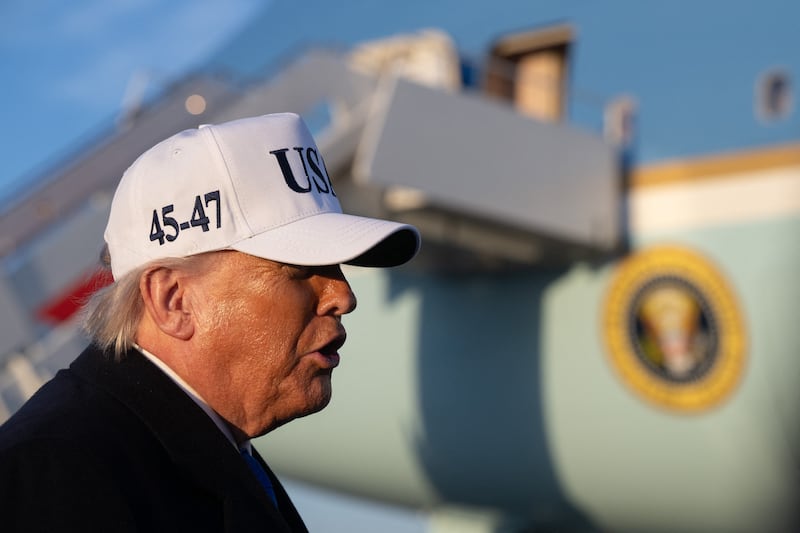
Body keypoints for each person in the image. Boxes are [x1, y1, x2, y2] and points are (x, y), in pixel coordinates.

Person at [0, 113, 420, 532]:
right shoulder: (58, 473)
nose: (342, 296)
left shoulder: (183, 453)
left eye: (338, 268)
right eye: (299, 270)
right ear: (174, 300)